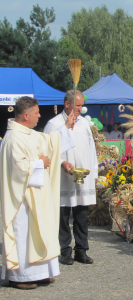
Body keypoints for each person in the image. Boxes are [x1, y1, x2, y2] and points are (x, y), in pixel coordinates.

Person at [0, 96, 75, 289]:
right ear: (26, 115)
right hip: (21, 199)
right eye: (36, 113)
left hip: (36, 194)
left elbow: (50, 141)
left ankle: (41, 272)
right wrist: (40, 163)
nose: (39, 116)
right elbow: (17, 168)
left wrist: (66, 126)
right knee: (24, 234)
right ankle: (20, 276)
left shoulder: (28, 133)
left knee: (41, 230)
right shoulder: (13, 137)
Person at [44, 90, 98, 265]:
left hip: (83, 175)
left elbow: (91, 149)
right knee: (63, 214)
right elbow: (47, 149)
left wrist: (94, 173)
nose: (81, 109)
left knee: (81, 213)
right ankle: (64, 250)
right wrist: (61, 162)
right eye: (78, 105)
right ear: (67, 104)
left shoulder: (83, 124)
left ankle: (81, 250)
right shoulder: (53, 124)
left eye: (82, 105)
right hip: (63, 177)